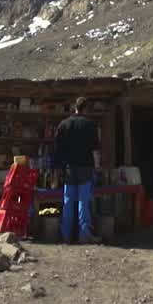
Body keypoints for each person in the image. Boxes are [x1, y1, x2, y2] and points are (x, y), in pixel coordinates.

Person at [53, 96, 100, 244]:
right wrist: (97, 167)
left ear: (75, 107)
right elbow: (95, 149)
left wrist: (57, 169)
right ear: (86, 109)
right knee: (83, 202)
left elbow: (57, 149)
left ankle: (65, 235)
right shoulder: (90, 125)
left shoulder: (64, 124)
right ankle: (83, 235)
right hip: (85, 167)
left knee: (68, 201)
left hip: (69, 168)